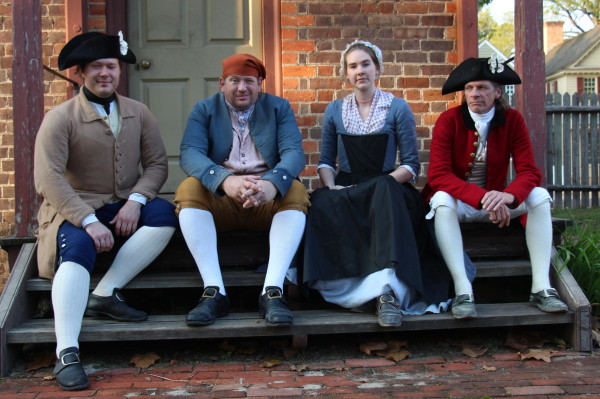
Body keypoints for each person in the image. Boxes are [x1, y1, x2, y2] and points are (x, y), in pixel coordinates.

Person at [34, 32, 177, 391]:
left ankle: (104, 294)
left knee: (165, 215)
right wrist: (86, 219)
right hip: (75, 208)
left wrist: (137, 200)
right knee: (77, 250)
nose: (105, 74)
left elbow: (158, 165)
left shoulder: (138, 112)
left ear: (119, 70)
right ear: (81, 72)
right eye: (96, 67)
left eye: (110, 66)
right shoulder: (60, 118)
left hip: (124, 203)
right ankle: (66, 352)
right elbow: (48, 178)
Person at [302, 40, 452, 328]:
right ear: (346, 73)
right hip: (347, 185)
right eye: (353, 66)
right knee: (320, 201)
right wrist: (331, 187)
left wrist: (380, 183)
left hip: (387, 185)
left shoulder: (397, 107)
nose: (360, 71)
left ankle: (387, 294)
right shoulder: (334, 110)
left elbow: (410, 165)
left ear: (378, 68)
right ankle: (334, 289)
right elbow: (325, 161)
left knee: (382, 192)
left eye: (366, 64)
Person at [422, 56, 569, 319]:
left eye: (482, 87)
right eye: (469, 88)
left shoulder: (512, 120)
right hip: (462, 203)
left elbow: (529, 171)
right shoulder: (449, 120)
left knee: (540, 195)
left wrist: (508, 196)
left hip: (498, 202)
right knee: (441, 199)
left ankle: (541, 287)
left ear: (497, 92)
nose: (474, 93)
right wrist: (484, 199)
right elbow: (438, 174)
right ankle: (463, 290)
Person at [174, 53, 310, 328]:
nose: (242, 88)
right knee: (188, 189)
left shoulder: (278, 107)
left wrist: (272, 184)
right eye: (234, 81)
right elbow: (190, 153)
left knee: (295, 192)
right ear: (222, 83)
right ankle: (214, 292)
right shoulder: (204, 109)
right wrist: (224, 180)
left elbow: (294, 153)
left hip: (264, 202)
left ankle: (272, 292)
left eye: (249, 81)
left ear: (260, 84)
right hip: (221, 200)